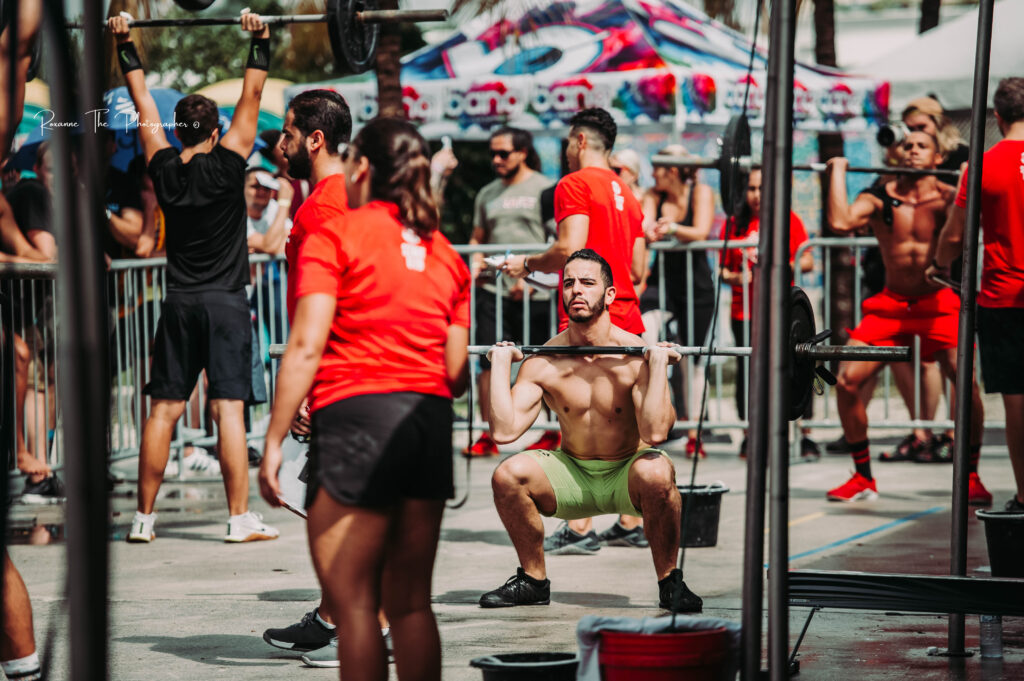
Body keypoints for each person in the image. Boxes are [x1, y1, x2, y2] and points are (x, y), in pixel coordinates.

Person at [259, 117, 470, 681]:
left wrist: (273, 441)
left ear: (363, 170)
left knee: (353, 606)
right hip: (426, 422)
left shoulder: (335, 234)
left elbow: (305, 346)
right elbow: (455, 372)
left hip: (356, 417)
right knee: (411, 605)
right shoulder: (446, 253)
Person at [110, 11, 279, 543]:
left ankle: (143, 520)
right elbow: (252, 95)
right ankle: (237, 520)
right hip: (226, 302)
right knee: (227, 408)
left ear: (178, 129)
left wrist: (125, 42)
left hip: (179, 302)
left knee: (163, 410)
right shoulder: (231, 162)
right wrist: (260, 38)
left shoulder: (161, 166)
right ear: (216, 130)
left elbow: (140, 101)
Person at [480, 249, 702, 613]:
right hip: (573, 474)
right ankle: (534, 580)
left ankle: (670, 582)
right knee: (507, 475)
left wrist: (658, 365)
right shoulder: (545, 361)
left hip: (626, 473)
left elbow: (657, 431)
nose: (576, 291)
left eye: (587, 283)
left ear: (610, 294)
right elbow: (505, 432)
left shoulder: (634, 356)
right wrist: (501, 365)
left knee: (658, 471)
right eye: (568, 284)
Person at [500, 108, 647, 553]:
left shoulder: (575, 183)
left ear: (580, 141)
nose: (565, 151)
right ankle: (628, 520)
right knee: (629, 423)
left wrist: (525, 264)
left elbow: (569, 247)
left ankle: (581, 528)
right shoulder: (628, 190)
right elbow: (638, 269)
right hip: (627, 314)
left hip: (590, 321)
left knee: (578, 417)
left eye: (567, 142)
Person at [258, 88, 365, 665]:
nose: (280, 146)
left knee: (336, 514)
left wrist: (307, 389)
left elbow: (322, 310)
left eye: (288, 135)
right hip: (354, 374)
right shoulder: (345, 197)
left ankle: (351, 627)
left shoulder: (322, 208)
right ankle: (332, 618)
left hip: (339, 376)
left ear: (314, 139)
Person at [825, 130, 989, 504]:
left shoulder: (950, 197)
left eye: (921, 146)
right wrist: (837, 170)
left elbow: (969, 227)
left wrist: (966, 180)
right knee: (848, 380)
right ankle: (863, 478)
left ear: (936, 157)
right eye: (907, 146)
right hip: (891, 306)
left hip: (939, 303)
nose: (912, 151)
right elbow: (840, 221)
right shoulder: (880, 197)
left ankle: (972, 476)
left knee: (965, 383)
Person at [930, 77, 1024, 513]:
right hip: (1004, 295)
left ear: (998, 117)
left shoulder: (981, 166)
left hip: (1005, 297)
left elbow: (954, 235)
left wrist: (938, 263)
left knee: (1016, 398)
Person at [463, 126, 559, 457]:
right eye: (493, 153)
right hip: (494, 290)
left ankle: (553, 430)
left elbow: (556, 240)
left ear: (522, 152)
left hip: (536, 291)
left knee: (542, 361)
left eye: (503, 153)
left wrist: (531, 273)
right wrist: (476, 261)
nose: (496, 159)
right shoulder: (487, 193)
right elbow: (478, 236)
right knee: (490, 359)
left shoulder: (545, 188)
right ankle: (489, 434)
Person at [721, 169, 814, 458]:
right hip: (745, 312)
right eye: (751, 188)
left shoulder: (788, 219)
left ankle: (803, 433)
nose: (757, 195)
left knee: (797, 367)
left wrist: (780, 266)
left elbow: (807, 259)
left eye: (763, 187)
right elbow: (723, 270)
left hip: (783, 311)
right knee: (747, 373)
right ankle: (751, 434)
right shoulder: (734, 224)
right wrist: (736, 278)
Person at [640, 145, 715, 459]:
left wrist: (672, 228)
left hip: (696, 283)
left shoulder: (701, 191)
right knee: (645, 337)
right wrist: (651, 231)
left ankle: (694, 434)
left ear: (672, 170)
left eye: (658, 166)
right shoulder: (652, 196)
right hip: (662, 282)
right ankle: (649, 425)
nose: (653, 172)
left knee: (692, 363)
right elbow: (643, 226)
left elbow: (701, 230)